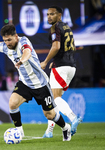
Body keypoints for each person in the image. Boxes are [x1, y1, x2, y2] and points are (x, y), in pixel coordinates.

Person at [0, 24, 72, 141]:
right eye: (5, 40)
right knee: (12, 103)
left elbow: (27, 52)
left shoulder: (23, 41)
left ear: (16, 36)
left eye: (9, 40)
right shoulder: (6, 46)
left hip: (40, 84)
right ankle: (19, 132)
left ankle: (66, 127)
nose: (7, 43)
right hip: (24, 83)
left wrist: (21, 61)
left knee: (50, 115)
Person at [40, 6, 82, 138]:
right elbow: (69, 47)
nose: (49, 17)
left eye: (52, 14)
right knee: (55, 99)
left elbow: (56, 46)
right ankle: (49, 131)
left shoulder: (55, 27)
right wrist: (57, 60)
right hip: (71, 67)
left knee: (54, 98)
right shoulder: (67, 28)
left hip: (61, 67)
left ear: (60, 15)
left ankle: (73, 117)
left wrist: (46, 61)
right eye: (47, 14)